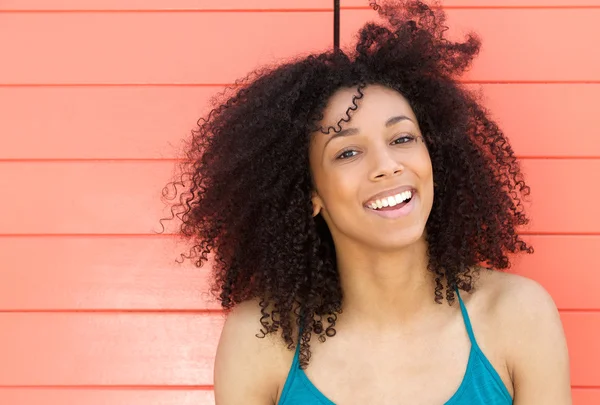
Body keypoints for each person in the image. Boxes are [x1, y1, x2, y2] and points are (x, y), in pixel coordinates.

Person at [163, 0, 571, 403]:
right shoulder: (258, 339)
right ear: (309, 194)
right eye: (347, 153)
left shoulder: (518, 315)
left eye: (403, 139)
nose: (387, 165)